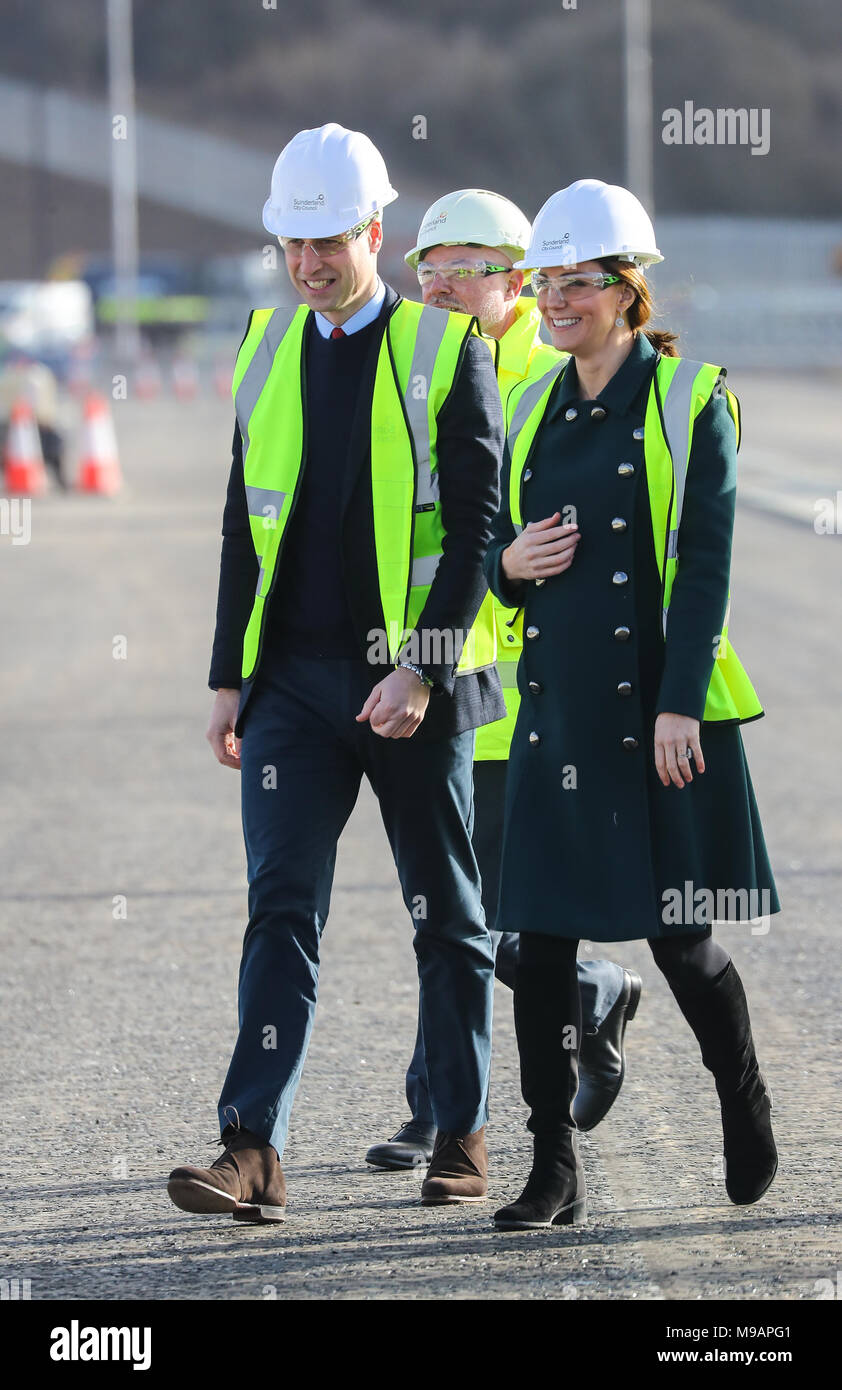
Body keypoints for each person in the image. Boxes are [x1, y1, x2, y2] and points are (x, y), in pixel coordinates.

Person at [166, 123, 508, 1223]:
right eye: (290, 245)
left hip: (410, 685)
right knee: (279, 911)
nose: (308, 264)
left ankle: (458, 1132)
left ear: (373, 230)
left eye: (326, 241)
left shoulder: (445, 347)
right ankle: (250, 1148)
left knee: (443, 910)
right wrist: (228, 675)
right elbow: (239, 522)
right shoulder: (265, 348)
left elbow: (472, 530)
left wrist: (419, 669)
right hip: (293, 689)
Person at [484, 179, 780, 1230]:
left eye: (576, 282)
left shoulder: (692, 396)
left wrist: (679, 705)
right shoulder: (526, 402)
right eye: (544, 282)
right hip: (556, 710)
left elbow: (704, 565)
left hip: (658, 709)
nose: (554, 300)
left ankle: (741, 1103)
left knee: (679, 939)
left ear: (624, 290)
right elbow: (497, 553)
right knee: (539, 944)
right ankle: (548, 1165)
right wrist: (506, 565)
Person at [365, 190, 640, 1173]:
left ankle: (471, 1082)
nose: (435, 285)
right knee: (448, 907)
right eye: (425, 268)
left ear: (516, 278)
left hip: (520, 691)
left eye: (462, 267)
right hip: (441, 678)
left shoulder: (542, 373)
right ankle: (459, 1086)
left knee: (463, 908)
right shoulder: (412, 361)